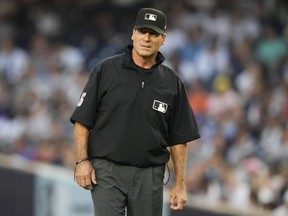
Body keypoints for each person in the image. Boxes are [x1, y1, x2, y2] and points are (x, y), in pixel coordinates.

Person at [70, 7, 200, 216]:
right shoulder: (106, 70)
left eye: (153, 33)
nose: (146, 38)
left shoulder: (172, 83)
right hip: (107, 170)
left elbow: (179, 138)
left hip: (149, 175)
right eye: (142, 31)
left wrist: (180, 184)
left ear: (163, 39)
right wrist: (82, 161)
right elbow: (83, 120)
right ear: (133, 33)